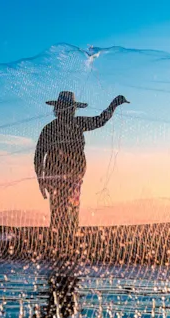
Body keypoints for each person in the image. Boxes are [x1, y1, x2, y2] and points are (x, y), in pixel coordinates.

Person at [34, 91, 129, 239]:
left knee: (64, 209)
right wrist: (114, 105)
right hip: (65, 177)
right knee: (67, 208)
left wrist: (41, 179)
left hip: (68, 177)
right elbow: (39, 155)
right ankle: (65, 241)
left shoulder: (54, 127)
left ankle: (62, 240)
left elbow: (38, 156)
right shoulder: (64, 126)